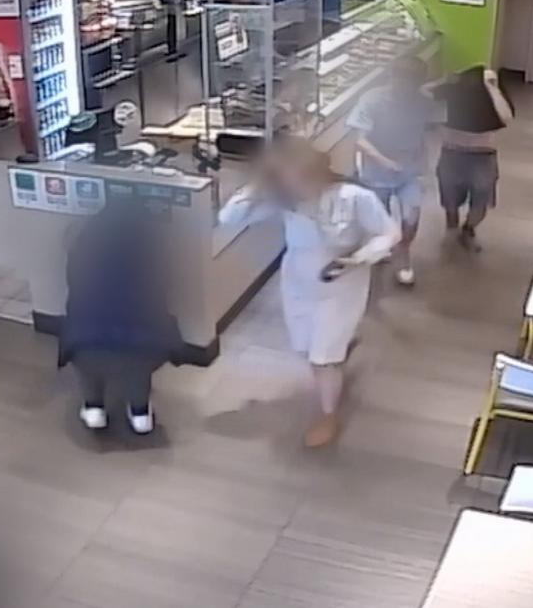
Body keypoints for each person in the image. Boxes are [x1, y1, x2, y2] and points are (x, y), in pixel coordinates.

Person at [219, 134, 400, 447]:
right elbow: (229, 218)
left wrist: (359, 258)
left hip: (342, 285)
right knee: (307, 347)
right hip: (298, 282)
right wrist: (259, 185)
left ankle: (328, 414)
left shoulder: (353, 197)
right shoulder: (284, 201)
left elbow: (388, 232)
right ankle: (337, 354)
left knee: (322, 358)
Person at [60, 199, 184, 434]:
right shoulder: (153, 247)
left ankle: (93, 406)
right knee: (139, 362)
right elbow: (164, 288)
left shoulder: (84, 243)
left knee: (86, 347)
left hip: (86, 342)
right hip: (144, 345)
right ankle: (140, 413)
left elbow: (73, 287)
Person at [347, 55, 434, 285]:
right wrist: (383, 160)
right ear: (391, 78)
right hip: (376, 170)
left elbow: (427, 129)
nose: (404, 88)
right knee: (379, 215)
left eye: (411, 83)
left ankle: (403, 253)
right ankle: (383, 247)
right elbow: (360, 140)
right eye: (400, 81)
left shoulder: (424, 101)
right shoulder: (372, 100)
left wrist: (423, 158)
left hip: (411, 170)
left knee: (412, 214)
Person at [430, 66, 515, 251]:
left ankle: (468, 229)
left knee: (481, 196)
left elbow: (507, 117)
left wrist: (492, 88)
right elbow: (424, 93)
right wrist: (443, 80)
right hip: (452, 153)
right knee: (449, 196)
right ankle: (452, 225)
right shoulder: (453, 93)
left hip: (482, 156)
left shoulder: (494, 99)